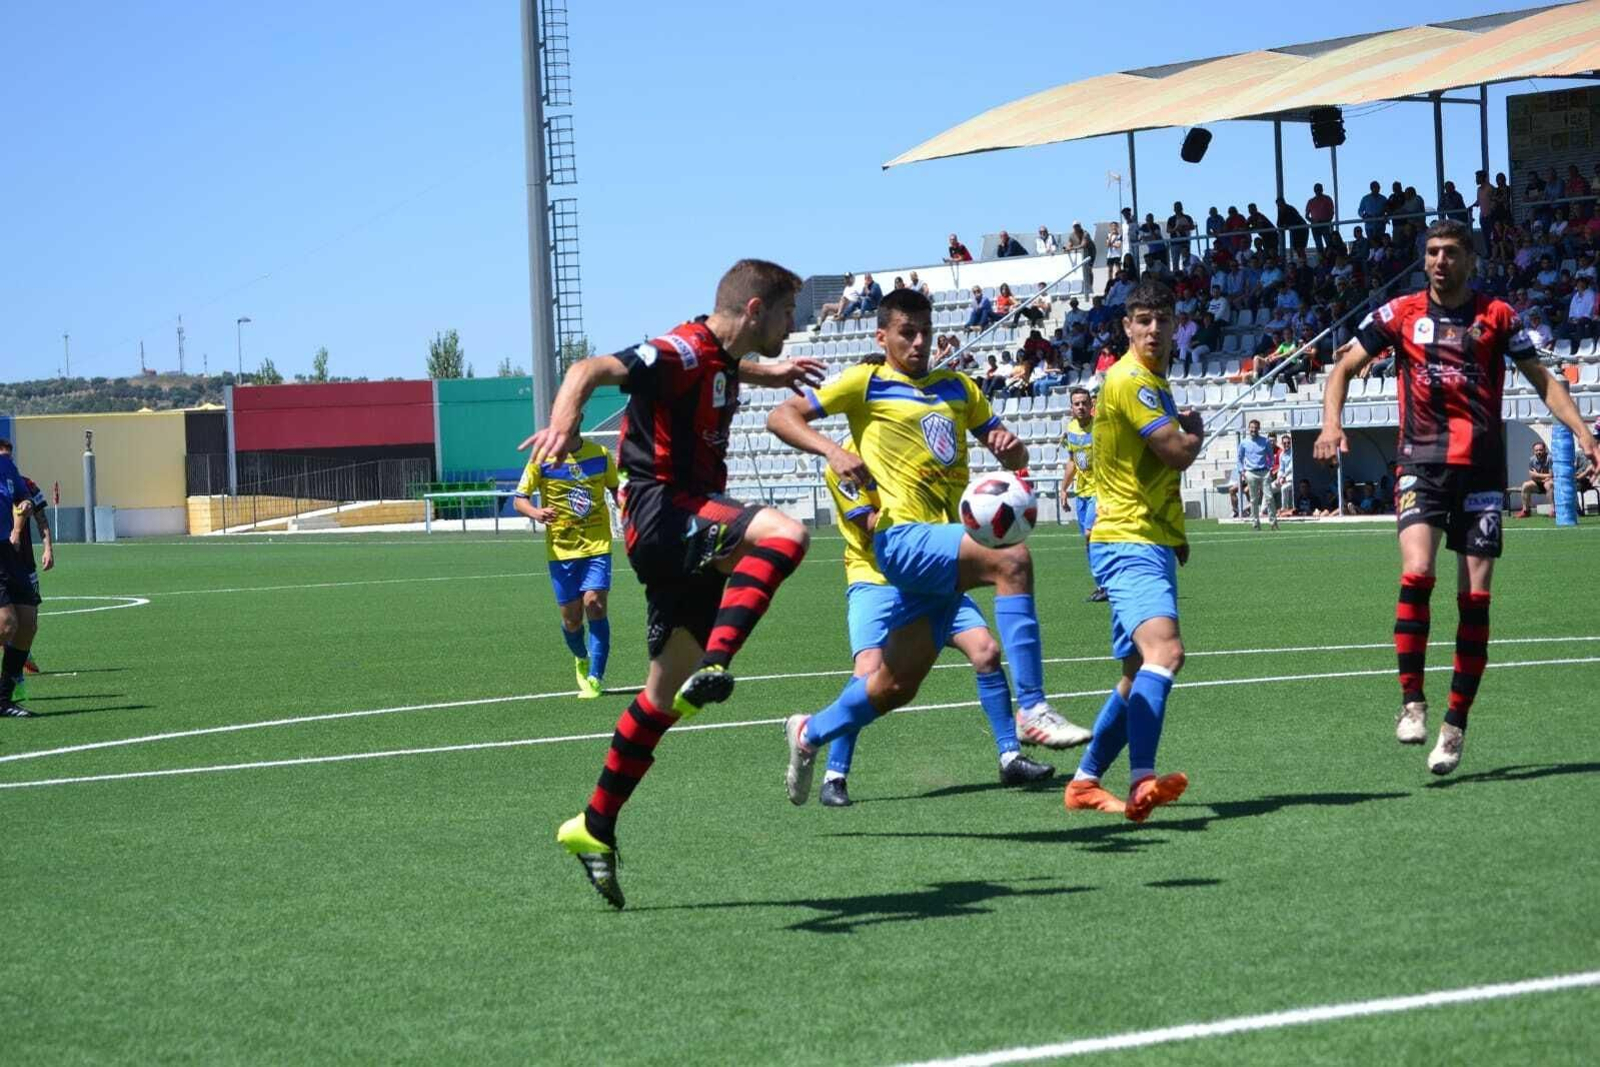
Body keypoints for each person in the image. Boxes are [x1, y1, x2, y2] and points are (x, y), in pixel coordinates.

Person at [534, 259, 826, 909]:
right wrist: (564, 418)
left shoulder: (718, 357)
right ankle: (718, 662)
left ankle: (594, 824)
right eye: (785, 315)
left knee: (661, 698)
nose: (792, 326)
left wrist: (765, 369)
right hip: (662, 511)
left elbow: (718, 367)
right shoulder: (682, 348)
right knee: (785, 534)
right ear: (755, 310)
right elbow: (591, 370)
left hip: (679, 521)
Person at [768, 288, 1094, 805]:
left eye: (925, 332)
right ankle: (1031, 708)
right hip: (900, 540)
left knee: (892, 687)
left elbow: (1011, 451)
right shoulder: (866, 383)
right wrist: (831, 450)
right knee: (1011, 556)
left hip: (941, 558)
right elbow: (781, 417)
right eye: (906, 333)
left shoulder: (960, 389)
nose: (919, 343)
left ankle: (809, 733)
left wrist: (1015, 449)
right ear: (882, 337)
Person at [1315, 219, 1600, 776]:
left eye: (1449, 252)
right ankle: (1413, 702)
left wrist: (1586, 435)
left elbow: (1542, 379)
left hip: (1483, 473)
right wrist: (1331, 423)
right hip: (1420, 463)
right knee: (1417, 572)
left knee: (1475, 598)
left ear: (1471, 259)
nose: (1439, 261)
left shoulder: (1498, 316)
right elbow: (1343, 366)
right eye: (1431, 252)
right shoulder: (1400, 314)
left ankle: (1454, 726)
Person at [816, 430, 1055, 806]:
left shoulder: (909, 444)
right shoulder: (844, 461)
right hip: (875, 576)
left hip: (933, 573)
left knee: (987, 652)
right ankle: (834, 774)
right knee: (868, 671)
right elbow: (871, 525)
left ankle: (1010, 756)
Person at [1063, 278, 1201, 819]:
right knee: (1166, 653)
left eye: (1161, 320)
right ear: (1126, 327)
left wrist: (1176, 535)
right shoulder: (1130, 380)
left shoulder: (1149, 381)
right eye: (1141, 320)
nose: (1152, 329)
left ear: (1175, 325)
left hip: (1144, 536)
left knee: (1134, 672)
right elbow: (1176, 453)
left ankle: (1085, 781)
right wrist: (1194, 431)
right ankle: (1143, 777)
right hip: (1130, 538)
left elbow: (1145, 472)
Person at [511, 435, 621, 698]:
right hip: (562, 551)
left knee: (595, 605)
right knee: (572, 620)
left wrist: (631, 509)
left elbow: (617, 489)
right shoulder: (541, 458)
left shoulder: (601, 454)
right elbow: (519, 499)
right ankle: (581, 657)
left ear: (579, 416)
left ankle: (595, 677)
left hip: (597, 546)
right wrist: (536, 513)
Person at [0, 448, 41, 718]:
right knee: (6, 623)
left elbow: (22, 496)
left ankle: (3, 698)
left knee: (27, 621)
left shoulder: (6, 465)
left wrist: (25, 503)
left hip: (5, 551)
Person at [1060, 387, 1108, 603]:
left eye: (1084, 403)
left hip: (1100, 490)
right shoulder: (1070, 429)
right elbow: (1072, 461)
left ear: (1091, 406)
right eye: (1076, 403)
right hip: (1081, 492)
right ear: (1071, 407)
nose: (1080, 407)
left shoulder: (1100, 428)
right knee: (1089, 542)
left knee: (1091, 534)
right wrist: (1063, 488)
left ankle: (1109, 582)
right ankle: (1102, 584)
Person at [1235, 419, 1279, 531]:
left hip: (1264, 472)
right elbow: (1239, 459)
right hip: (1251, 473)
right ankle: (1255, 523)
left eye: (1255, 428)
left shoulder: (1265, 442)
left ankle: (1273, 522)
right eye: (1251, 428)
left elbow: (1271, 457)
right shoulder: (1244, 443)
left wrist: (1269, 469)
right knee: (1254, 500)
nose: (1253, 430)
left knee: (1269, 497)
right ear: (1249, 428)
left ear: (1259, 429)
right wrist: (1243, 472)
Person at [1517, 441, 1553, 518]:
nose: (1538, 452)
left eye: (1540, 450)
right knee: (1526, 485)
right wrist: (1541, 478)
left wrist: (1537, 474)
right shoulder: (1532, 460)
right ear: (1534, 451)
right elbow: (1532, 476)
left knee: (1548, 484)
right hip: (1539, 482)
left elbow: (1551, 475)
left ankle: (1554, 510)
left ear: (1545, 450)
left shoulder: (1550, 458)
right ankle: (1526, 511)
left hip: (1550, 482)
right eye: (1536, 450)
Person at [1306, 183, 1335, 252]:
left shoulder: (1327, 199)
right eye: (1316, 190)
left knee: (1329, 243)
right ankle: (1322, 260)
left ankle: (1330, 259)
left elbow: (1331, 212)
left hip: (1325, 225)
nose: (1318, 191)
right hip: (1315, 226)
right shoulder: (1311, 201)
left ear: (1322, 189)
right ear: (1314, 191)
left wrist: (1327, 221)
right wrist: (1313, 221)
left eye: (1319, 189)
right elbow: (1306, 216)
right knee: (1319, 245)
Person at [1272, 433, 1295, 516]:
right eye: (1284, 443)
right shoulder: (1282, 455)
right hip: (1283, 479)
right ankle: (1266, 510)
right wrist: (1278, 478)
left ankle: (1284, 510)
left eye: (1288, 443)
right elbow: (1281, 469)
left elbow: (1290, 468)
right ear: (1282, 444)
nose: (1287, 445)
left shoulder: (1293, 453)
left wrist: (1283, 477)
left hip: (1291, 479)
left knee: (1284, 488)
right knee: (1269, 488)